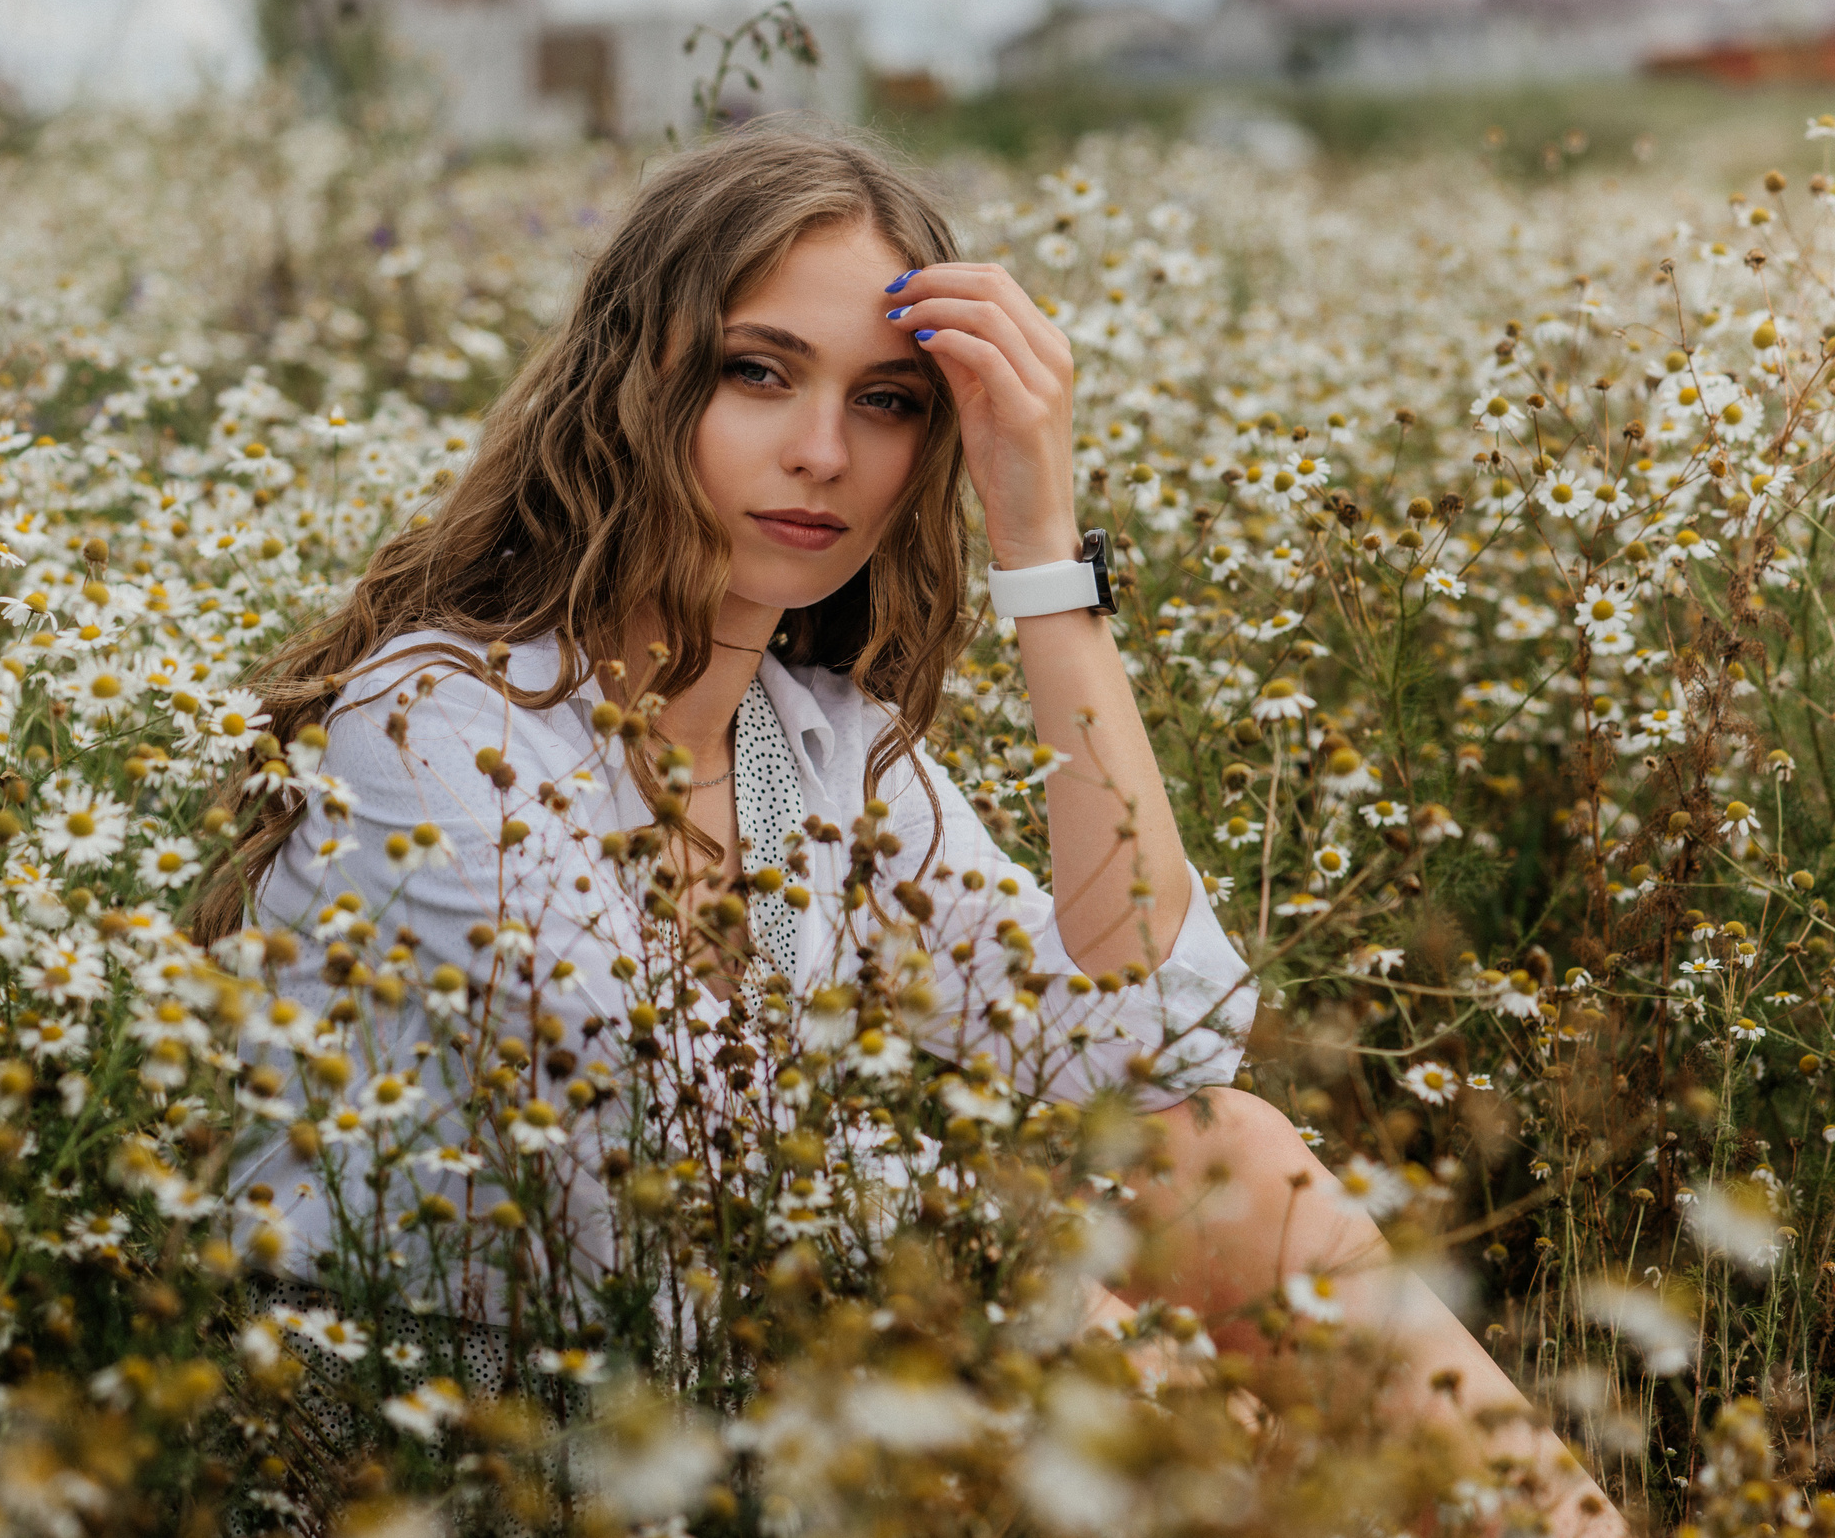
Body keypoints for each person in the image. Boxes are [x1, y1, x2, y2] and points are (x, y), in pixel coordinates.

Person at [193, 119, 1624, 1536]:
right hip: (460, 1428)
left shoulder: (815, 748)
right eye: (758, 373)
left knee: (1223, 1158)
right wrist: (1065, 1313)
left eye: (888, 402)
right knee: (1132, 1399)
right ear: (633, 386)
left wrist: (1041, 545)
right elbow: (657, 1152)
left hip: (747, 1377)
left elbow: (1158, 1050)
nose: (824, 452)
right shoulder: (436, 723)